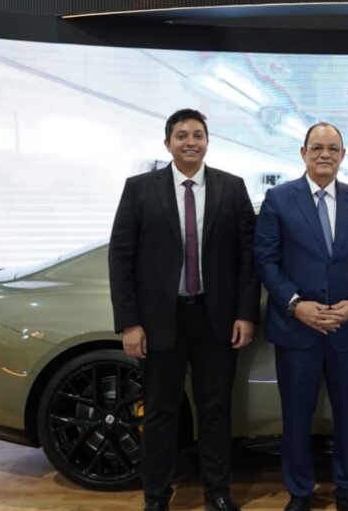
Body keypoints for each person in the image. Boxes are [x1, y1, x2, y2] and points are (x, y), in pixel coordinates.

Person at [109, 109, 260, 511]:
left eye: (197, 134)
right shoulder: (140, 189)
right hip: (160, 319)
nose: (190, 141)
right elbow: (121, 257)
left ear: (207, 141)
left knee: (216, 411)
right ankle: (156, 497)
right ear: (168, 144)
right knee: (160, 413)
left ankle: (218, 494)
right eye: (181, 135)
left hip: (216, 319)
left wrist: (245, 314)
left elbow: (248, 258)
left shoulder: (232, 188)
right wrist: (130, 323)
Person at [254, 122, 348, 511]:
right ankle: (300, 491)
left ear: (343, 155)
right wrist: (296, 304)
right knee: (296, 416)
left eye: (332, 148)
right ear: (303, 153)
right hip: (297, 329)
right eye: (317, 148)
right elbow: (266, 260)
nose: (324, 154)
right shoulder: (278, 199)